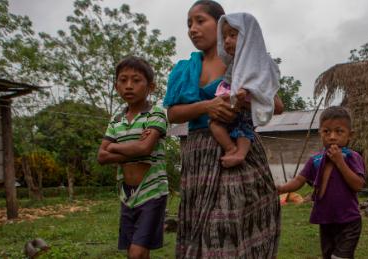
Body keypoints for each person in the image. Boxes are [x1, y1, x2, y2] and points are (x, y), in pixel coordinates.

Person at [163, 1, 283, 258]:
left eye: (200, 20)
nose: (193, 29)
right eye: (189, 24)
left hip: (241, 150)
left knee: (232, 221)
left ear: (219, 25)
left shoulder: (246, 62)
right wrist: (208, 106)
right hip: (200, 156)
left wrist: (243, 99)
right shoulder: (185, 69)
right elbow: (173, 113)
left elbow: (277, 105)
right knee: (205, 226)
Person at [97, 56, 168, 259]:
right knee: (134, 251)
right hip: (127, 195)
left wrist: (114, 146)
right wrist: (132, 147)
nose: (129, 86)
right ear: (116, 85)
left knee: (136, 253)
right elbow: (101, 156)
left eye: (136, 80)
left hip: (152, 191)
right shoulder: (116, 120)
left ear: (151, 86)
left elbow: (145, 148)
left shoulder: (156, 114)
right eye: (123, 80)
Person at [276, 106, 365, 259]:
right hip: (326, 219)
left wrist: (340, 162)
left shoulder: (352, 157)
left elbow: (358, 185)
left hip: (349, 220)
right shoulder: (315, 160)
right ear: (320, 133)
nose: (332, 136)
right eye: (326, 131)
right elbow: (299, 180)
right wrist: (281, 188)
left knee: (340, 257)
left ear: (350, 135)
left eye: (339, 131)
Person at [209, 12, 280, 168]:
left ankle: (240, 154)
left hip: (246, 104)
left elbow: (261, 85)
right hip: (232, 104)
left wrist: (246, 94)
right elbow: (227, 84)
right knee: (214, 124)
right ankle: (230, 148)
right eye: (224, 36)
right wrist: (227, 97)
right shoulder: (232, 63)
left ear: (248, 36)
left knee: (244, 128)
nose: (227, 40)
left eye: (233, 35)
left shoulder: (259, 62)